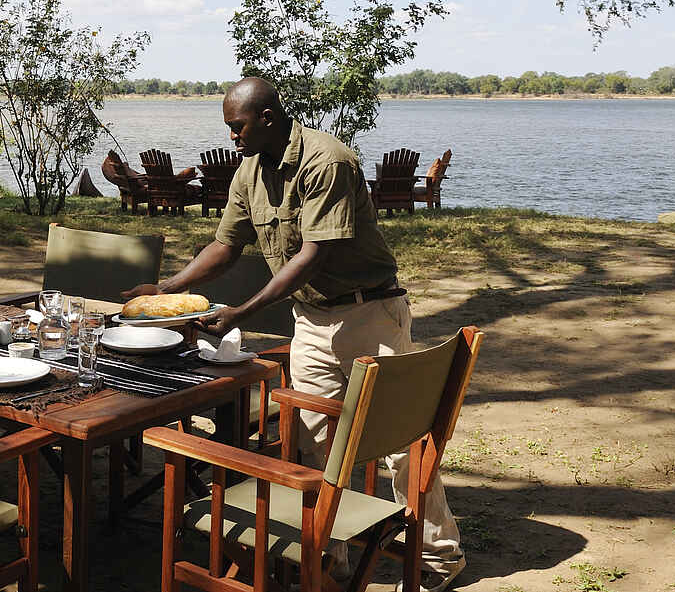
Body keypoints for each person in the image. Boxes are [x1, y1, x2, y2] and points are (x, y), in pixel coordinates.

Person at [123, 76, 464, 591]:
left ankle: (437, 558)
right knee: (311, 438)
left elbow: (313, 255)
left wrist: (241, 312)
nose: (232, 137)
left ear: (268, 117)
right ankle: (333, 556)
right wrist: (167, 286)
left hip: (369, 313)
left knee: (398, 440)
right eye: (227, 128)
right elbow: (226, 246)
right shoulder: (248, 172)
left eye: (237, 127)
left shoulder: (328, 162)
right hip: (311, 318)